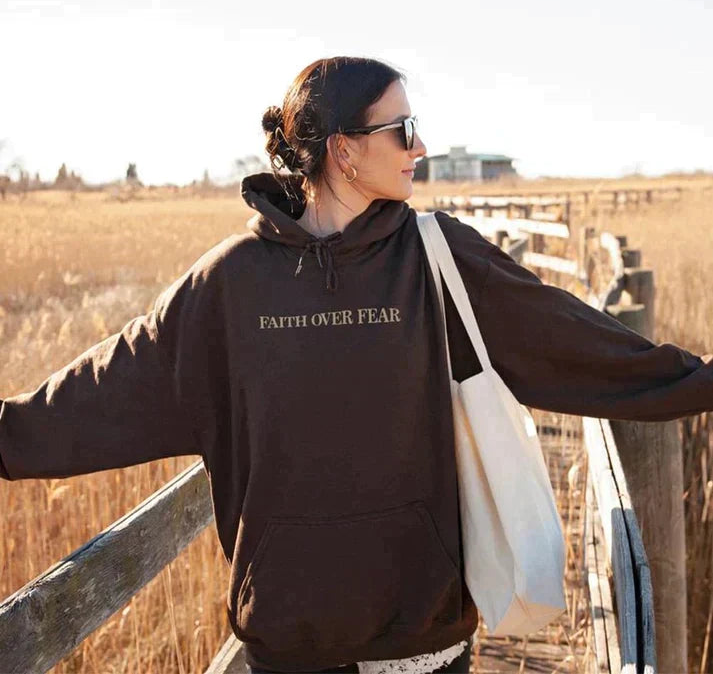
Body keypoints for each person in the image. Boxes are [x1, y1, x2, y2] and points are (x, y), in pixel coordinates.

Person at [1, 55, 712, 674]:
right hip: (288, 639)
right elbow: (109, 389)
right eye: (400, 130)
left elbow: (574, 342)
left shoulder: (438, 257)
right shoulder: (230, 284)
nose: (420, 146)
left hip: (418, 633)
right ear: (342, 151)